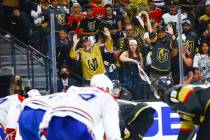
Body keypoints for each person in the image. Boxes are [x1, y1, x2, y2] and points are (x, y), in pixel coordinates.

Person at [39, 74, 121, 140]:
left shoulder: (74, 90)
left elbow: (56, 107)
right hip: (78, 124)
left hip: (54, 120)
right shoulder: (107, 98)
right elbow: (112, 135)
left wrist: (43, 128)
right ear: (106, 89)